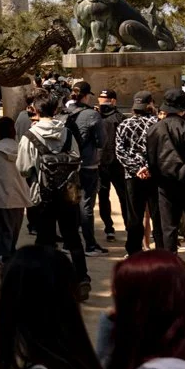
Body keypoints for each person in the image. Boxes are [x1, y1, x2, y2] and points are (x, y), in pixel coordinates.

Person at [18, 97, 92, 300]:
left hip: (43, 193)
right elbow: (77, 159)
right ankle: (82, 278)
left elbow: (23, 168)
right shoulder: (67, 132)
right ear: (56, 110)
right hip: (68, 193)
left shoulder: (30, 136)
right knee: (73, 238)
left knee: (45, 240)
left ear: (36, 110)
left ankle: (48, 283)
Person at [143, 87, 185, 252]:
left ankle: (169, 258)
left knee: (169, 225)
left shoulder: (154, 129)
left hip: (164, 183)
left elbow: (150, 158)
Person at [0, 116, 33, 265]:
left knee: (2, 229)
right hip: (19, 195)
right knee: (14, 228)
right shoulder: (22, 149)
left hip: (0, 195)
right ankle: (8, 254)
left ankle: (6, 255)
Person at [112, 92, 157, 256]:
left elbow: (119, 151)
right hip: (153, 175)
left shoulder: (124, 124)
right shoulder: (156, 124)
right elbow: (157, 151)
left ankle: (133, 249)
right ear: (150, 104)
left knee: (134, 215)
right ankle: (161, 247)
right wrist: (146, 167)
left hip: (132, 176)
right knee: (156, 214)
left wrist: (135, 169)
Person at [66, 82, 106, 257]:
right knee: (86, 203)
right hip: (88, 162)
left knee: (70, 203)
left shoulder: (64, 113)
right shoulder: (92, 115)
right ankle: (90, 244)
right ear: (86, 95)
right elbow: (102, 141)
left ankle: (69, 242)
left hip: (67, 163)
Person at [92, 90, 122, 244]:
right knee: (103, 197)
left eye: (106, 100)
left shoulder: (119, 118)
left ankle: (129, 224)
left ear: (113, 101)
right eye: (101, 99)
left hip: (117, 164)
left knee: (124, 197)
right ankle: (108, 227)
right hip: (101, 164)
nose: (103, 102)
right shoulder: (95, 117)